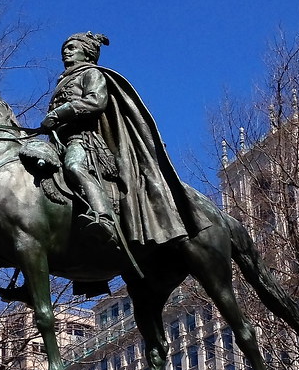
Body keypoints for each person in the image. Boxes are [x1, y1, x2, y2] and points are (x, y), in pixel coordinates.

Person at [39, 32, 209, 249]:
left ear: (87, 53)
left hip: (84, 140)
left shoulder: (91, 73)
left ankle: (103, 217)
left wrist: (58, 114)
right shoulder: (63, 82)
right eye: (65, 48)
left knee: (74, 166)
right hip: (59, 143)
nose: (66, 51)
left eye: (72, 47)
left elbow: (95, 102)